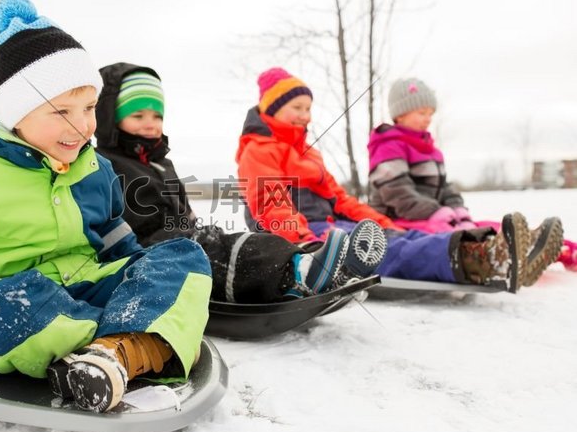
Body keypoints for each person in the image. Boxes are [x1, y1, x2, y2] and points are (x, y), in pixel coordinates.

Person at [0, 0, 213, 414]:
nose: (82, 125)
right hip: (2, 312)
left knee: (181, 255)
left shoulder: (94, 169)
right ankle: (138, 338)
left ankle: (114, 352)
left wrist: (141, 278)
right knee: (10, 304)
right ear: (15, 114)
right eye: (61, 111)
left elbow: (114, 234)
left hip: (84, 290)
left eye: (88, 108)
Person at [236, 67, 561, 293]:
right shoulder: (260, 150)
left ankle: (492, 247)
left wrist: (383, 223)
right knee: (381, 250)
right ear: (272, 108)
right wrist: (306, 247)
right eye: (297, 107)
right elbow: (270, 205)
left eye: (308, 108)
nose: (306, 115)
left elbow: (343, 201)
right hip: (302, 237)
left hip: (328, 228)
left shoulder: (308, 153)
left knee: (392, 238)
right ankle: (478, 259)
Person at [94, 62, 389, 304]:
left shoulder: (160, 162)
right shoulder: (106, 164)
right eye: (138, 115)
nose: (151, 123)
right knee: (223, 254)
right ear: (110, 118)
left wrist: (194, 226)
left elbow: (182, 210)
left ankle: (308, 267)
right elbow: (119, 225)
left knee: (235, 241)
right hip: (148, 254)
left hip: (178, 240)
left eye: (157, 115)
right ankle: (300, 275)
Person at [367, 77, 571, 274]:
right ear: (400, 114)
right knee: (457, 236)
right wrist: (435, 213)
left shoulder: (429, 149)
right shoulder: (388, 146)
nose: (428, 118)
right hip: (397, 220)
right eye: (422, 113)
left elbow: (444, 186)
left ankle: (553, 249)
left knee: (487, 228)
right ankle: (502, 257)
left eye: (431, 113)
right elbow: (397, 192)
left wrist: (457, 209)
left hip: (433, 215)